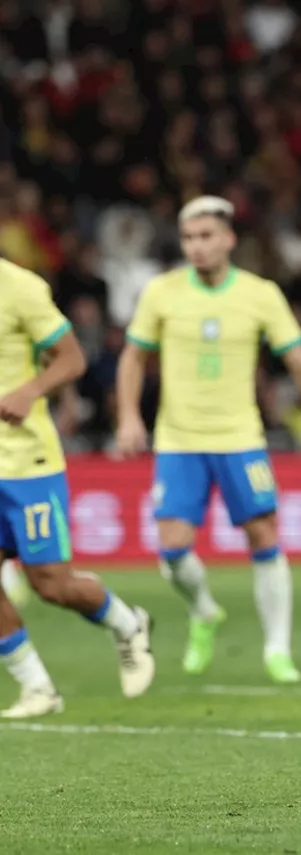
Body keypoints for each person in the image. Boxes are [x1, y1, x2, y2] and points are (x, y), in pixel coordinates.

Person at [115, 196, 301, 684]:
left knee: (264, 536)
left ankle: (277, 651)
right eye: (188, 239)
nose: (197, 247)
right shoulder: (161, 292)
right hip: (178, 440)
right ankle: (204, 611)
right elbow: (133, 358)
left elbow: (300, 362)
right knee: (172, 547)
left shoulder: (260, 294)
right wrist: (126, 416)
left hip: (241, 438)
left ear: (228, 240)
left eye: (206, 237)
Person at [0, 258, 155, 719]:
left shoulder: (20, 287)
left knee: (52, 584)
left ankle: (128, 624)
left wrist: (30, 391)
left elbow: (72, 358)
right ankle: (38, 688)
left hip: (27, 465)